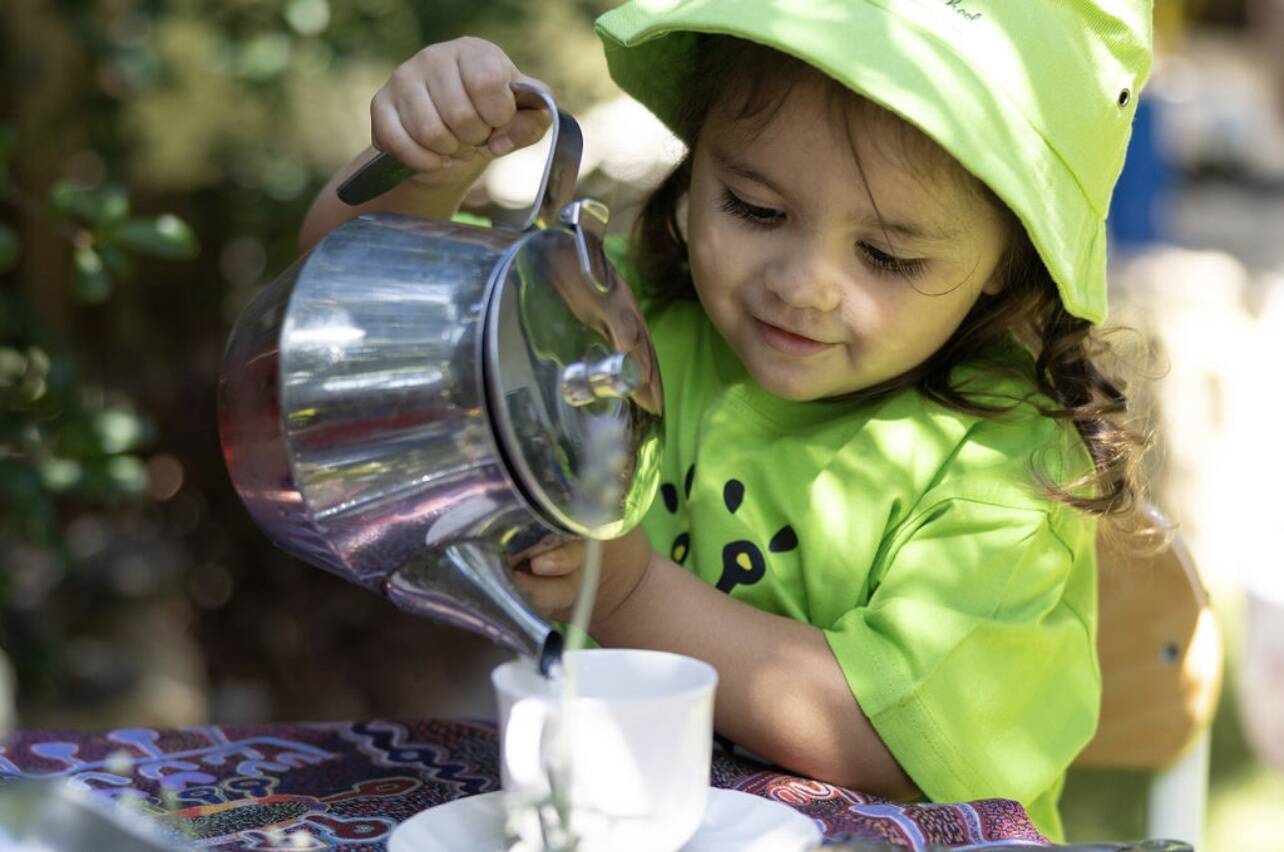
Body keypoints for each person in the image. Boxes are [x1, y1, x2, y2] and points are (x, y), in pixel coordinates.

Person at [299, 2, 1154, 840]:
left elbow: (893, 744)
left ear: (1012, 256)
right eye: (754, 207)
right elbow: (355, 317)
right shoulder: (618, 321)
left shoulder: (1009, 464)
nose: (803, 284)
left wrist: (627, 588)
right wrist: (426, 167)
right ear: (697, 157)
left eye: (887, 255)